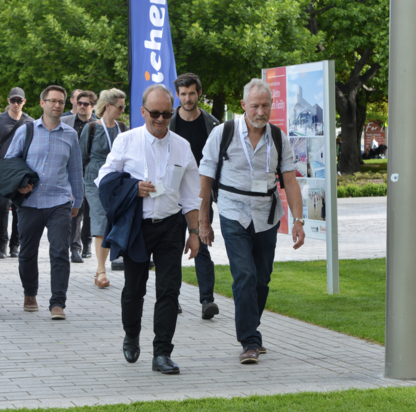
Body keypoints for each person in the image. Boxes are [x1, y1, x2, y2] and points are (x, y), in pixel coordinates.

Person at [198, 78, 305, 365]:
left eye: (265, 105)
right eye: (255, 105)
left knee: (262, 278)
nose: (260, 111)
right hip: (233, 212)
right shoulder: (224, 133)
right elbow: (206, 177)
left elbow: (291, 183)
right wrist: (203, 219)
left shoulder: (279, 138)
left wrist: (298, 220)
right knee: (244, 274)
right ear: (243, 105)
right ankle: (249, 341)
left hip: (267, 215)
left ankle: (251, 330)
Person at [96, 84, 200, 375]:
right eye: (154, 113)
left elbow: (191, 194)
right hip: (137, 227)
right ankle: (131, 334)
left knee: (169, 290)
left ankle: (162, 353)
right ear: (142, 112)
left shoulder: (181, 146)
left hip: (170, 226)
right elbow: (104, 177)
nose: (160, 119)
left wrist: (194, 232)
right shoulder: (126, 141)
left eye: (166, 113)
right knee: (134, 289)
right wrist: (133, 187)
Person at [5, 85, 83, 320]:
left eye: (60, 101)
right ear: (42, 103)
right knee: (27, 252)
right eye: (52, 101)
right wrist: (18, 186)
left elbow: (75, 170)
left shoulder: (71, 135)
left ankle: (57, 303)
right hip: (29, 202)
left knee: (60, 251)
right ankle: (30, 293)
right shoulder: (26, 131)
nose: (57, 105)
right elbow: (10, 163)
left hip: (59, 201)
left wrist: (77, 201)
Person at [169, 72, 221, 319]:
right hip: (171, 193)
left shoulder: (212, 125)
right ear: (177, 95)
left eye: (191, 93)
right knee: (172, 246)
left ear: (199, 93)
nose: (187, 98)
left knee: (201, 242)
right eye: (183, 94)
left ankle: (207, 300)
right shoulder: (168, 122)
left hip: (201, 194)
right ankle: (172, 298)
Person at [80, 88, 127, 289]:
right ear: (108, 106)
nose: (122, 110)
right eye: (120, 107)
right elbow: (82, 157)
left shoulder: (123, 128)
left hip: (116, 180)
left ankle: (109, 263)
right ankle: (101, 270)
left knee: (113, 218)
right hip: (94, 180)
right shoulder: (91, 128)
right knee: (100, 218)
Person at [0, 87, 34, 258]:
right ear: (8, 101)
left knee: (19, 207)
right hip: (4, 169)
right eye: (13, 100)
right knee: (2, 207)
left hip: (22, 171)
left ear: (24, 102)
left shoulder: (30, 122)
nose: (15, 103)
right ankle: (2, 244)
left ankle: (15, 244)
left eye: (19, 100)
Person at [62, 90, 98, 263]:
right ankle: (74, 248)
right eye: (79, 103)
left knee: (90, 211)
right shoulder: (66, 122)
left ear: (93, 106)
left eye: (85, 104)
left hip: (92, 174)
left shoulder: (98, 124)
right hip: (71, 172)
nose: (81, 106)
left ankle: (87, 243)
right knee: (76, 210)